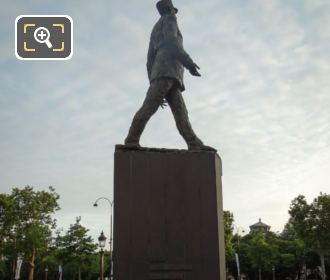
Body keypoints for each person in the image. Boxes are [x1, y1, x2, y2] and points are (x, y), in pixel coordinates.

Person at [124, 0, 216, 152]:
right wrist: (189, 63)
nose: (175, 14)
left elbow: (149, 59)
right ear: (171, 10)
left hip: (164, 74)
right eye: (174, 10)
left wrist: (152, 80)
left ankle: (194, 143)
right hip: (168, 72)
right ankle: (131, 139)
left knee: (180, 111)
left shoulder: (155, 28)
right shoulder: (169, 20)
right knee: (149, 107)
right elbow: (173, 42)